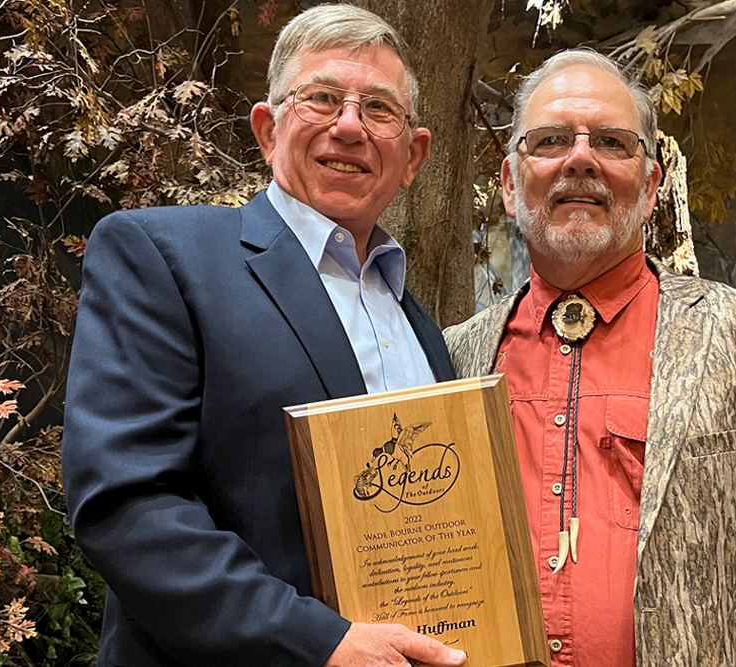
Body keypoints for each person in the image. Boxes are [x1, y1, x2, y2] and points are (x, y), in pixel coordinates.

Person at [62, 6, 467, 667]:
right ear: (268, 130)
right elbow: (128, 503)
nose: (349, 126)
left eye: (378, 109)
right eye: (322, 98)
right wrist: (317, 642)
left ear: (413, 156)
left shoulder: (421, 325)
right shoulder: (164, 257)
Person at [443, 49, 736, 667]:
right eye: (551, 140)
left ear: (649, 187)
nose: (580, 158)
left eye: (612, 142)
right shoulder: (453, 358)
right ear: (509, 184)